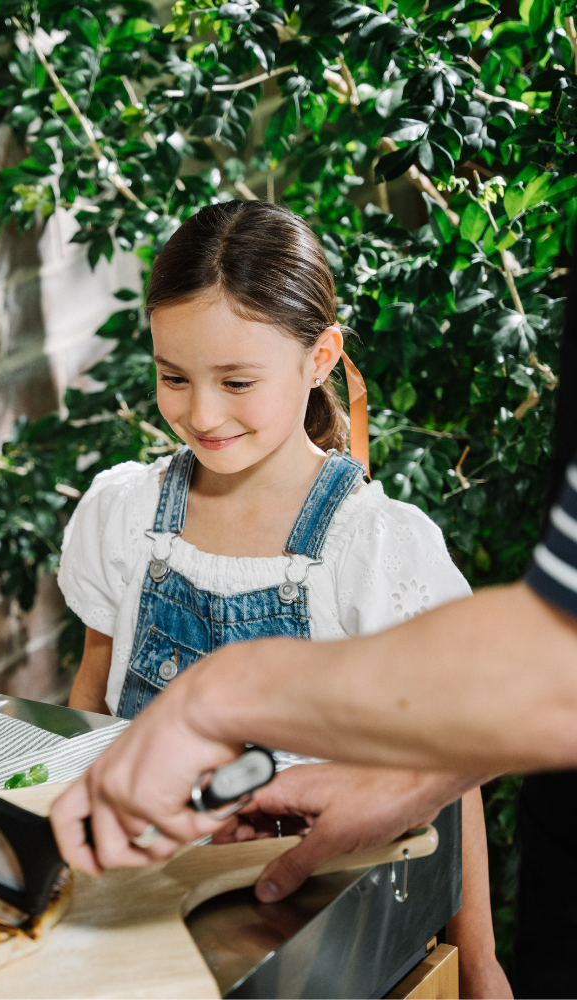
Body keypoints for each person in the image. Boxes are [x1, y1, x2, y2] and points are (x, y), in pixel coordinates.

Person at [51, 245, 577, 999]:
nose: (201, 413)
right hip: (141, 909)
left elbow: (453, 766)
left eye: (237, 381)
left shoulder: (376, 546)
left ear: (320, 357)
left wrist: (480, 960)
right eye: (174, 377)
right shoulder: (123, 514)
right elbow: (93, 696)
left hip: (323, 927)